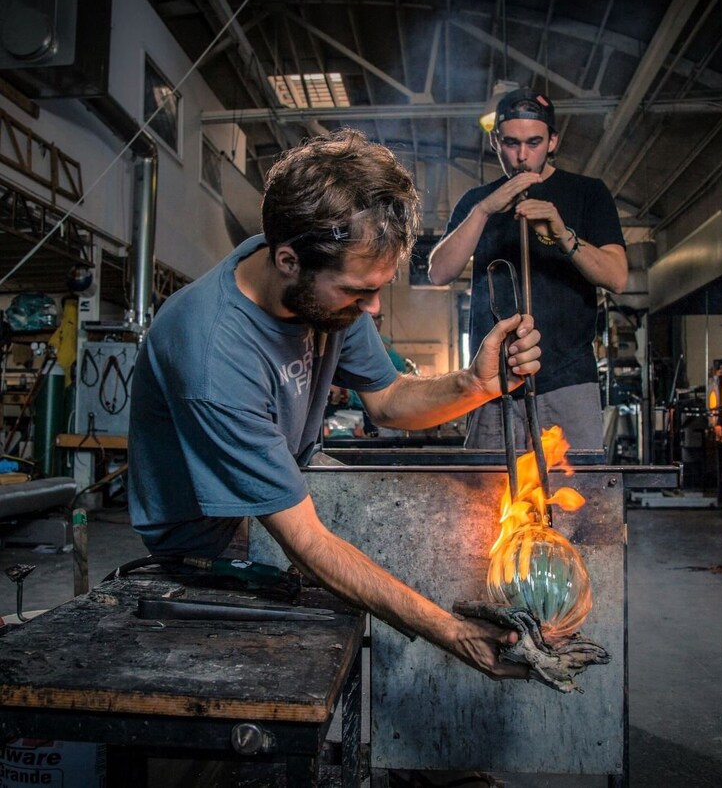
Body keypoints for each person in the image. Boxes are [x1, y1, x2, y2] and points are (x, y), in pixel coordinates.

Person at [127, 128, 542, 681]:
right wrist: (452, 633)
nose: (372, 309)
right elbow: (308, 545)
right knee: (395, 605)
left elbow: (389, 400)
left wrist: (478, 384)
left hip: (288, 490)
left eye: (379, 289)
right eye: (357, 292)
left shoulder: (326, 292)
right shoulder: (213, 354)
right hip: (210, 544)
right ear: (288, 260)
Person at [428, 88, 628, 452]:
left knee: (577, 499)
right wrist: (485, 210)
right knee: (486, 502)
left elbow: (616, 277)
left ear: (553, 141)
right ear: (495, 141)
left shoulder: (587, 194)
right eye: (511, 143)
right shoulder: (476, 201)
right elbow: (439, 272)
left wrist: (563, 233)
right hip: (492, 384)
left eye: (534, 142)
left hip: (568, 382)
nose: (521, 156)